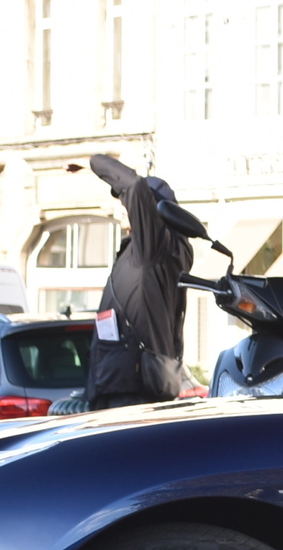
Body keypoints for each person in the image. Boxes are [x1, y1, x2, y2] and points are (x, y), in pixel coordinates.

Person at [83, 153, 208, 410]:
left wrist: (93, 161)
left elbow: (134, 186)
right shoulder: (147, 250)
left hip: (130, 390)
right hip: (119, 383)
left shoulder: (153, 247)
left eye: (124, 202)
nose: (121, 207)